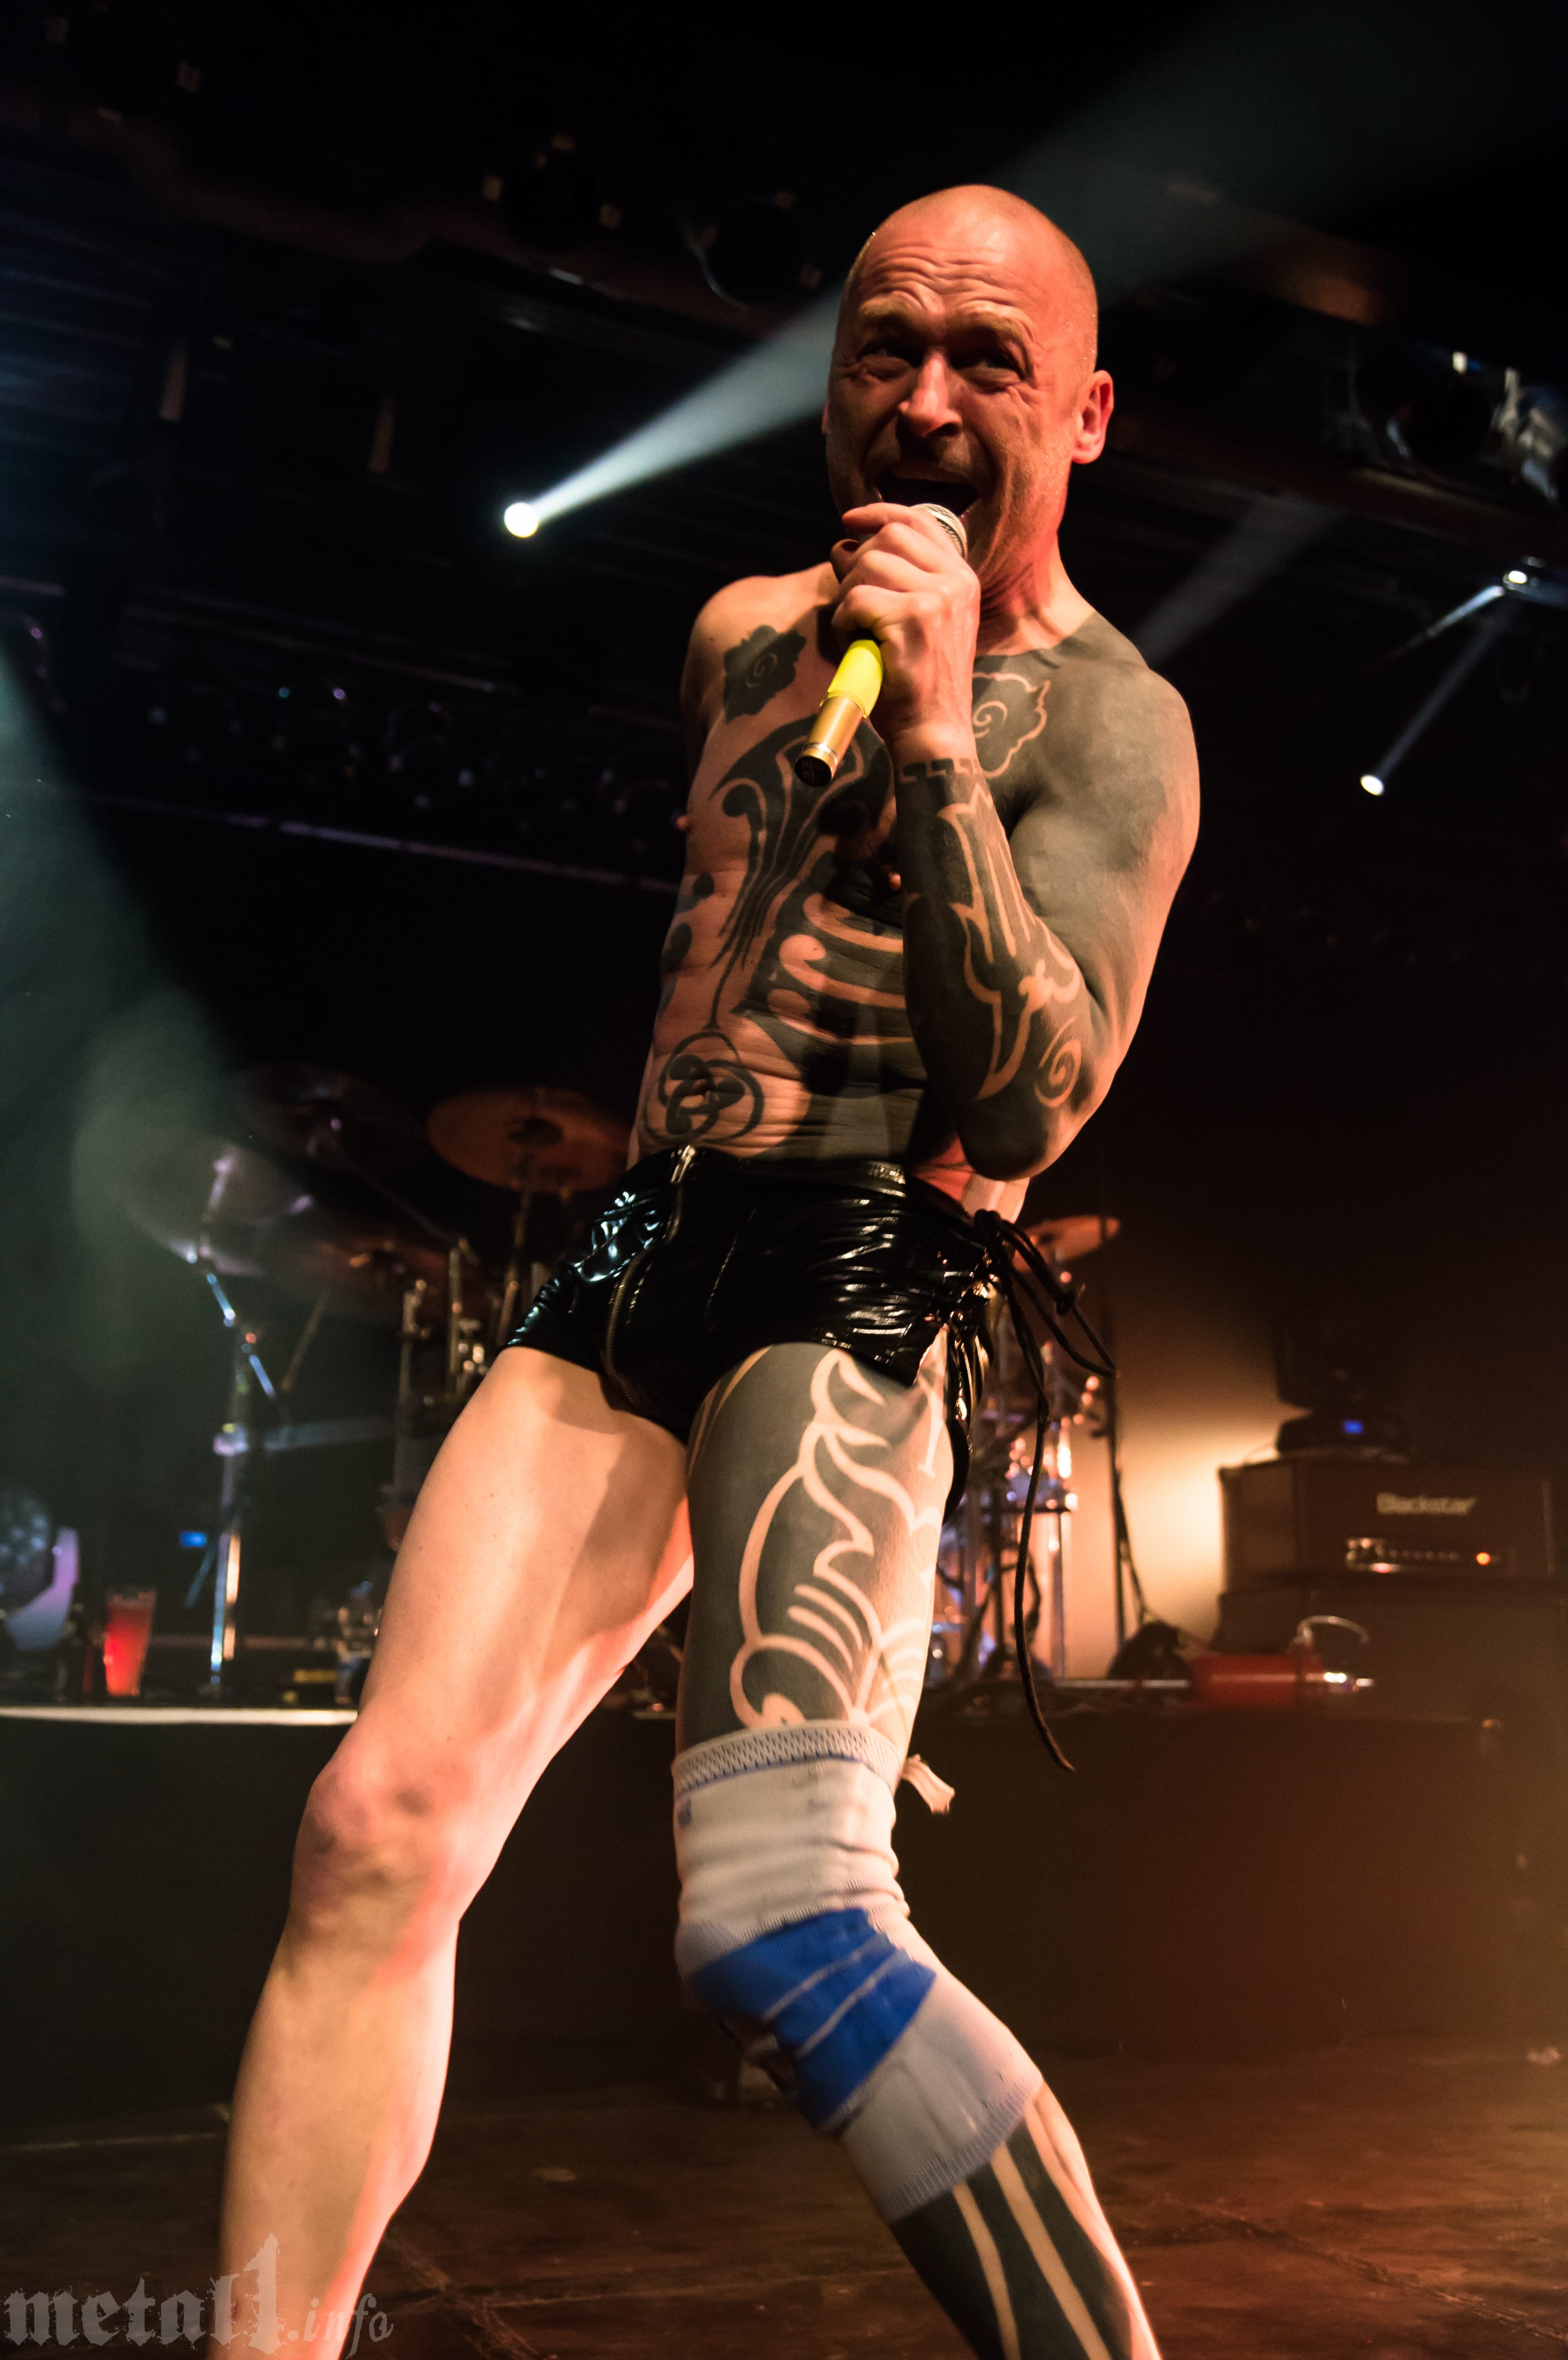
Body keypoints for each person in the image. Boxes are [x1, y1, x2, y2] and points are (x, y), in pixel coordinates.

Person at [215, 183, 1199, 2360]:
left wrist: (936, 736)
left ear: (1086, 415)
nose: (922, 402)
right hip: (651, 1234)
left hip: (865, 1256)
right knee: (375, 1829)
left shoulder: (1114, 723)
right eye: (882, 351)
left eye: (988, 362)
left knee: (779, 1915)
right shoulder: (743, 635)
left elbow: (1030, 1102)